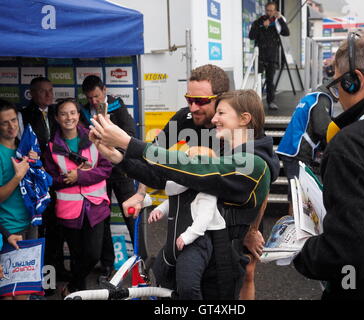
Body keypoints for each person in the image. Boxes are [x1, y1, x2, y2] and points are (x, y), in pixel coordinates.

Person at [89, 89, 274, 300]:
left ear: (244, 119)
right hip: (195, 260)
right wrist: (119, 159)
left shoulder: (254, 164)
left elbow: (192, 169)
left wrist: (128, 143)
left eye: (221, 113)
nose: (214, 119)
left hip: (220, 271)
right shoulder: (228, 155)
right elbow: (166, 178)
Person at [293, 31, 364, 299]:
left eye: (339, 83)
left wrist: (303, 253)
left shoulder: (352, 145)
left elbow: (352, 255)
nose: (338, 95)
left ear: (355, 81)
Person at [43, 98, 112, 297]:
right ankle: (79, 292)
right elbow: (49, 178)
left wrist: (80, 176)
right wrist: (68, 178)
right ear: (56, 117)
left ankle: (72, 286)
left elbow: (106, 169)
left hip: (95, 206)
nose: (69, 117)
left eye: (72, 113)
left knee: (92, 255)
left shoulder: (95, 137)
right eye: (63, 113)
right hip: (68, 209)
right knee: (76, 255)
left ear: (79, 115)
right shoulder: (51, 147)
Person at [80, 75, 140, 280]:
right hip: (98, 173)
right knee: (102, 218)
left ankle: (140, 259)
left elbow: (131, 133)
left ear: (104, 90)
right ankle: (107, 264)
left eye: (96, 96)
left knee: (132, 214)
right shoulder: (84, 111)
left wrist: (112, 140)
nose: (94, 101)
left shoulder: (116, 105)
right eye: (90, 98)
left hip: (121, 169)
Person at [148, 146, 226, 299]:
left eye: (196, 161)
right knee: (159, 278)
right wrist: (160, 210)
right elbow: (173, 201)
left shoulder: (206, 189)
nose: (189, 164)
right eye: (187, 159)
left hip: (195, 243)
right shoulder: (178, 185)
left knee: (188, 287)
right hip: (172, 243)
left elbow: (205, 216)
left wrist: (189, 235)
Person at [19, 77, 70, 286]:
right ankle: (43, 279)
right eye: (43, 92)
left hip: (59, 178)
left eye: (51, 90)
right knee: (42, 230)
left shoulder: (59, 112)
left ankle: (58, 272)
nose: (49, 95)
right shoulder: (24, 115)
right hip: (37, 182)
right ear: (32, 93)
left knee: (58, 229)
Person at [0, 99, 39, 300]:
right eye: (5, 122)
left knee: (24, 291)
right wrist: (17, 177)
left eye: (14, 120)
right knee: (8, 294)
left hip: (30, 223)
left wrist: (35, 164)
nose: (11, 126)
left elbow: (38, 187)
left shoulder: (24, 147)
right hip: (7, 228)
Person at [276, 84, 335, 214]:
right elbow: (323, 129)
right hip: (298, 152)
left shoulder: (311, 97)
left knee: (297, 196)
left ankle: (297, 228)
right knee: (298, 198)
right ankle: (295, 231)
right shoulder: (322, 99)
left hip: (291, 150)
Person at [249, 1, 290, 111]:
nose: (269, 13)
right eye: (268, 10)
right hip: (260, 56)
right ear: (265, 10)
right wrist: (262, 26)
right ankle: (254, 102)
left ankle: (271, 102)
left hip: (272, 55)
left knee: (270, 80)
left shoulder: (278, 21)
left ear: (275, 11)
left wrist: (280, 18)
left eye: (272, 11)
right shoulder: (258, 21)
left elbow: (286, 32)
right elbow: (251, 36)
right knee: (257, 79)